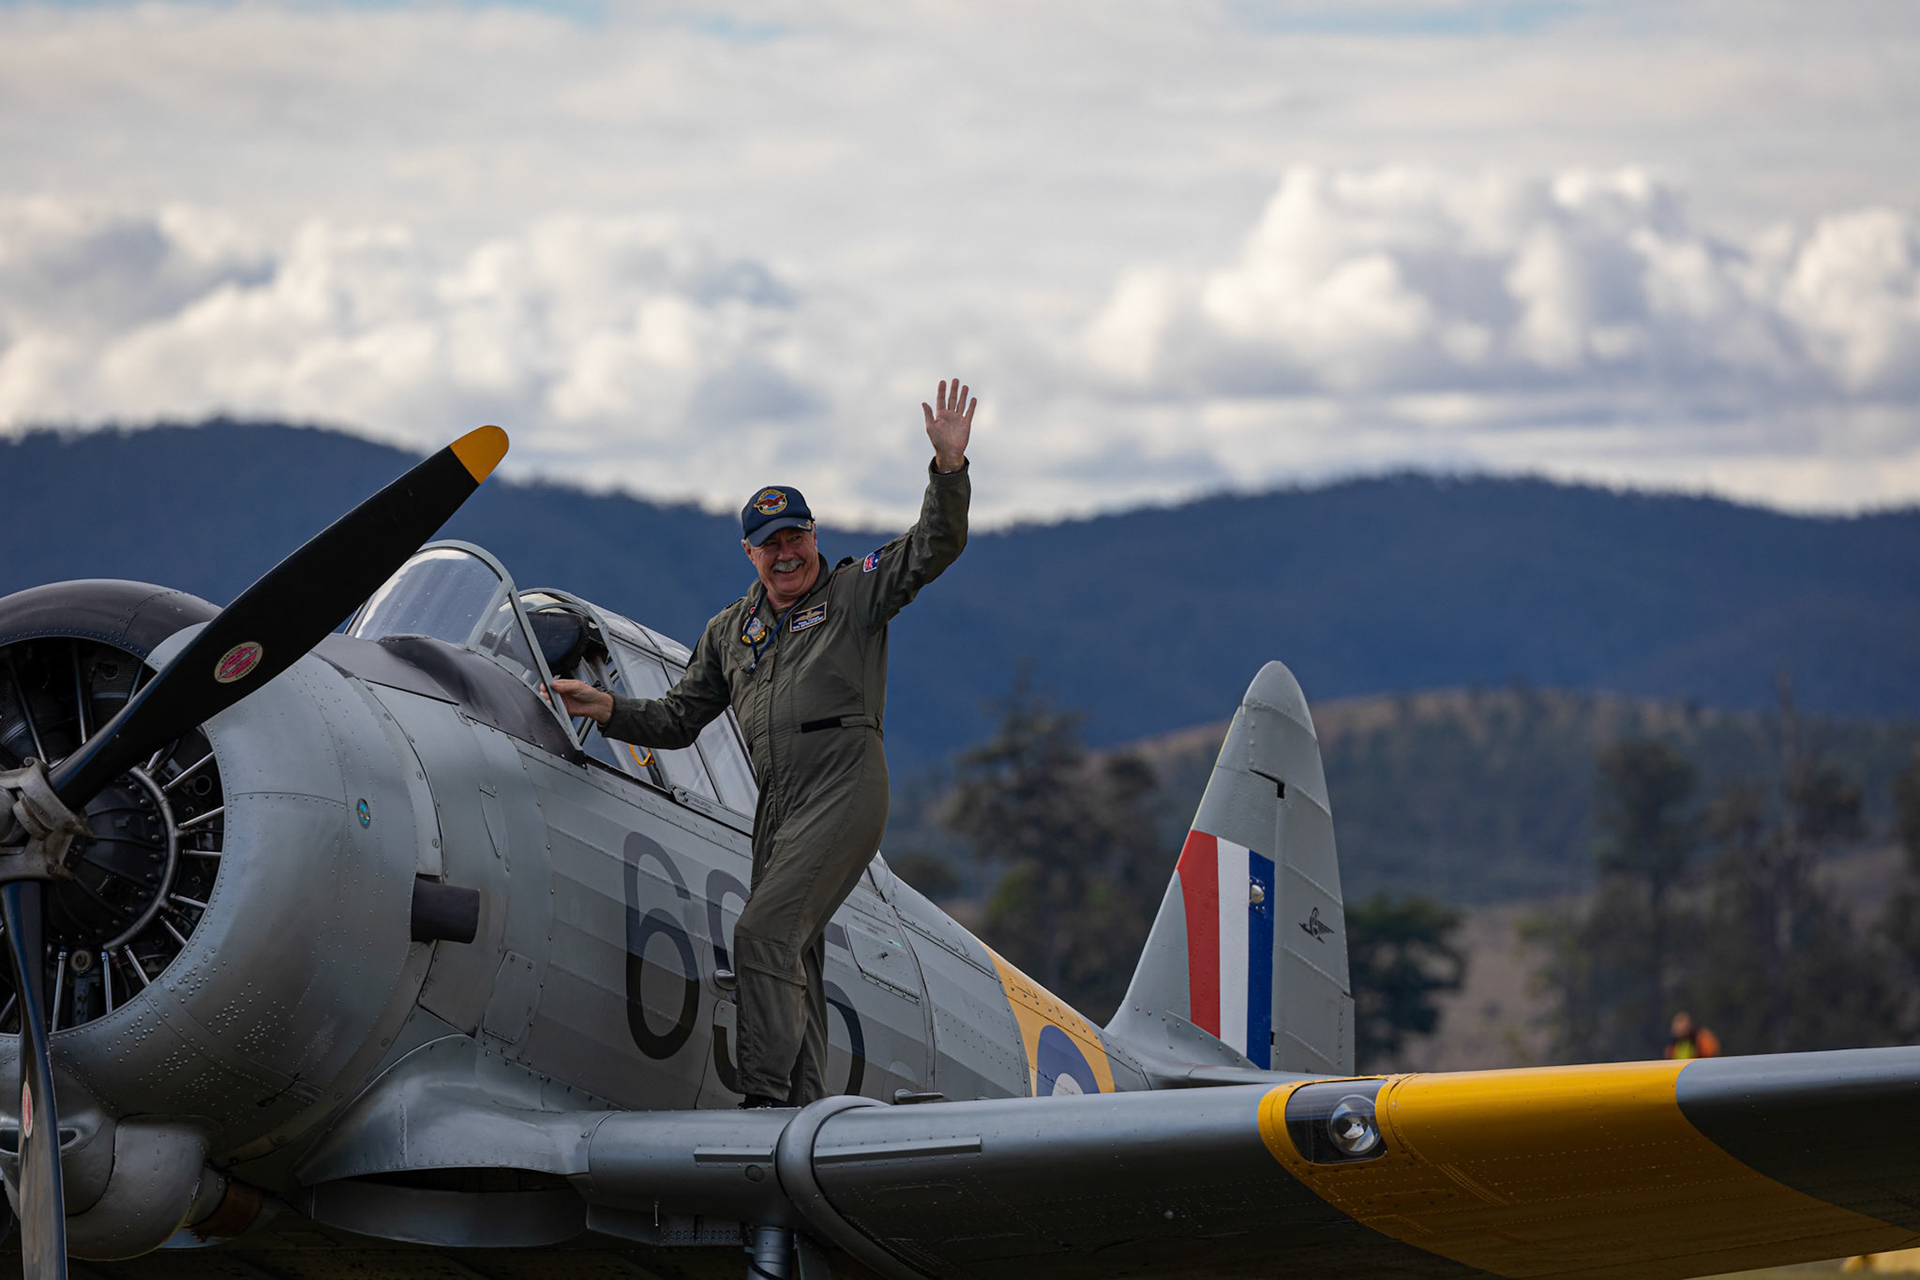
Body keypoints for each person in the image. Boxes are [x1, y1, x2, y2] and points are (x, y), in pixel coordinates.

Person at [553, 379, 975, 1108]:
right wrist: (610, 709)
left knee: (762, 933)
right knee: (794, 956)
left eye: (797, 538)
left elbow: (930, 549)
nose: (787, 554)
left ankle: (764, 1100)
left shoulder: (852, 594)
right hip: (776, 804)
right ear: (749, 552)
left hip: (844, 783)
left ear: (815, 536)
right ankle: (809, 1113)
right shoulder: (728, 631)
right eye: (770, 544)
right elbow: (680, 720)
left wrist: (947, 472)